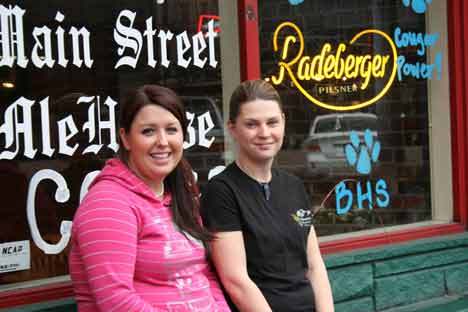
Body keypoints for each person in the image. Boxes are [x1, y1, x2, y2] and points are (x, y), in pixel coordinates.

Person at [69, 85, 230, 312]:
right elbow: (116, 302)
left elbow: (203, 274)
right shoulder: (107, 204)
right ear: (125, 138)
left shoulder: (179, 195)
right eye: (148, 131)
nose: (162, 141)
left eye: (172, 130)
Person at [201, 80, 334, 312]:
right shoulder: (221, 191)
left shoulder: (293, 186)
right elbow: (236, 281)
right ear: (232, 128)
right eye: (251, 124)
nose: (264, 133)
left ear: (283, 122)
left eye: (272, 122)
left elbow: (314, 266)